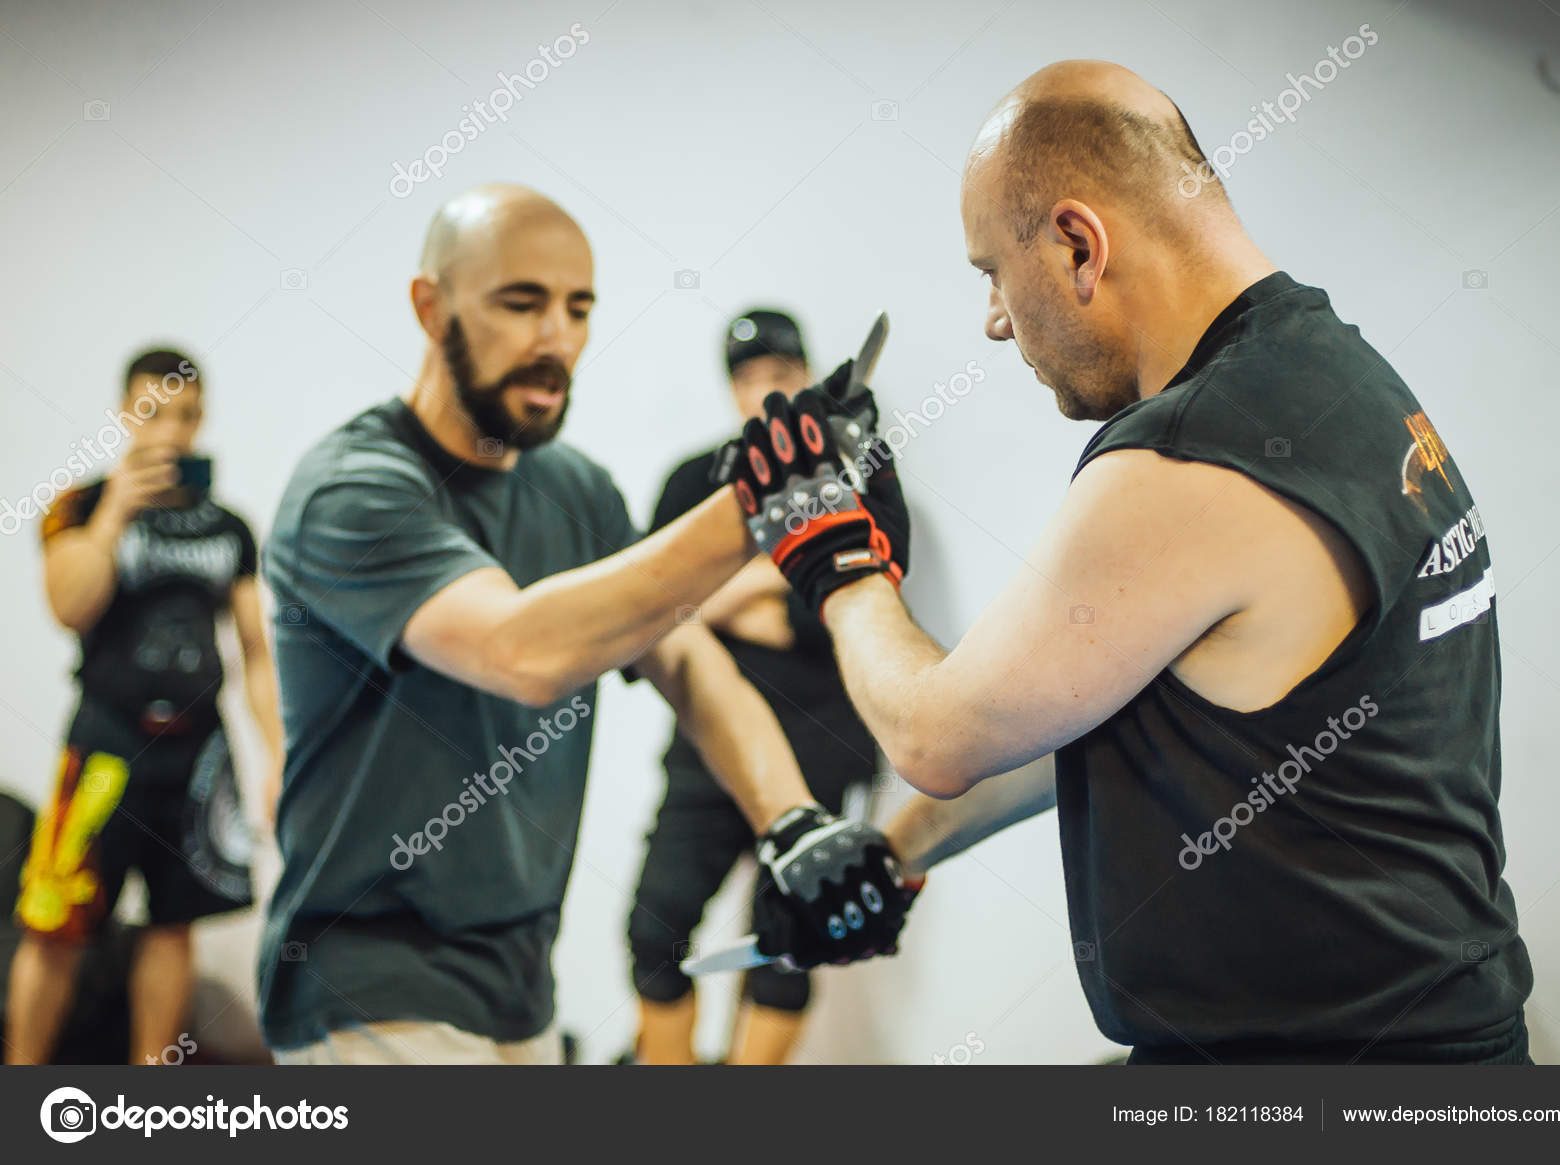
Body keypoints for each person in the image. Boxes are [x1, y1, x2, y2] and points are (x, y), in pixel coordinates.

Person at [728, 60, 1534, 1064]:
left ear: (1075, 243)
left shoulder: (1195, 450)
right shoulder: (1336, 379)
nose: (993, 317)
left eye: (990, 272)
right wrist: (895, 855)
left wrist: (830, 553)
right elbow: (1097, 707)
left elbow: (935, 734)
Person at [257, 185, 913, 1066]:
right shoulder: (354, 491)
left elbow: (686, 657)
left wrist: (790, 820)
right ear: (431, 305)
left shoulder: (577, 489)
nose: (554, 339)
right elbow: (524, 650)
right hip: (370, 982)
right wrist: (769, 494)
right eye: (520, 303)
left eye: (577, 308)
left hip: (521, 981)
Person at [7, 349, 280, 1065]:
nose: (171, 432)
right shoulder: (83, 505)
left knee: (174, 923)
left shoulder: (229, 527)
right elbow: (69, 603)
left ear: (203, 420)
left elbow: (256, 649)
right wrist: (119, 508)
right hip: (106, 743)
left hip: (197, 751)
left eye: (186, 415)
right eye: (154, 413)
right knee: (56, 921)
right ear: (126, 414)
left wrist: (278, 753)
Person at [626, 310, 880, 1065]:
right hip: (706, 742)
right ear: (731, 387)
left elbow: (836, 613)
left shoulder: (854, 473)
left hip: (818, 747)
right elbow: (644, 609)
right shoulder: (691, 479)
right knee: (653, 927)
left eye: (782, 374)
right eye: (750, 377)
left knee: (789, 946)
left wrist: (715, 594)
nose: (767, 390)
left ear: (804, 376)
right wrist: (773, 580)